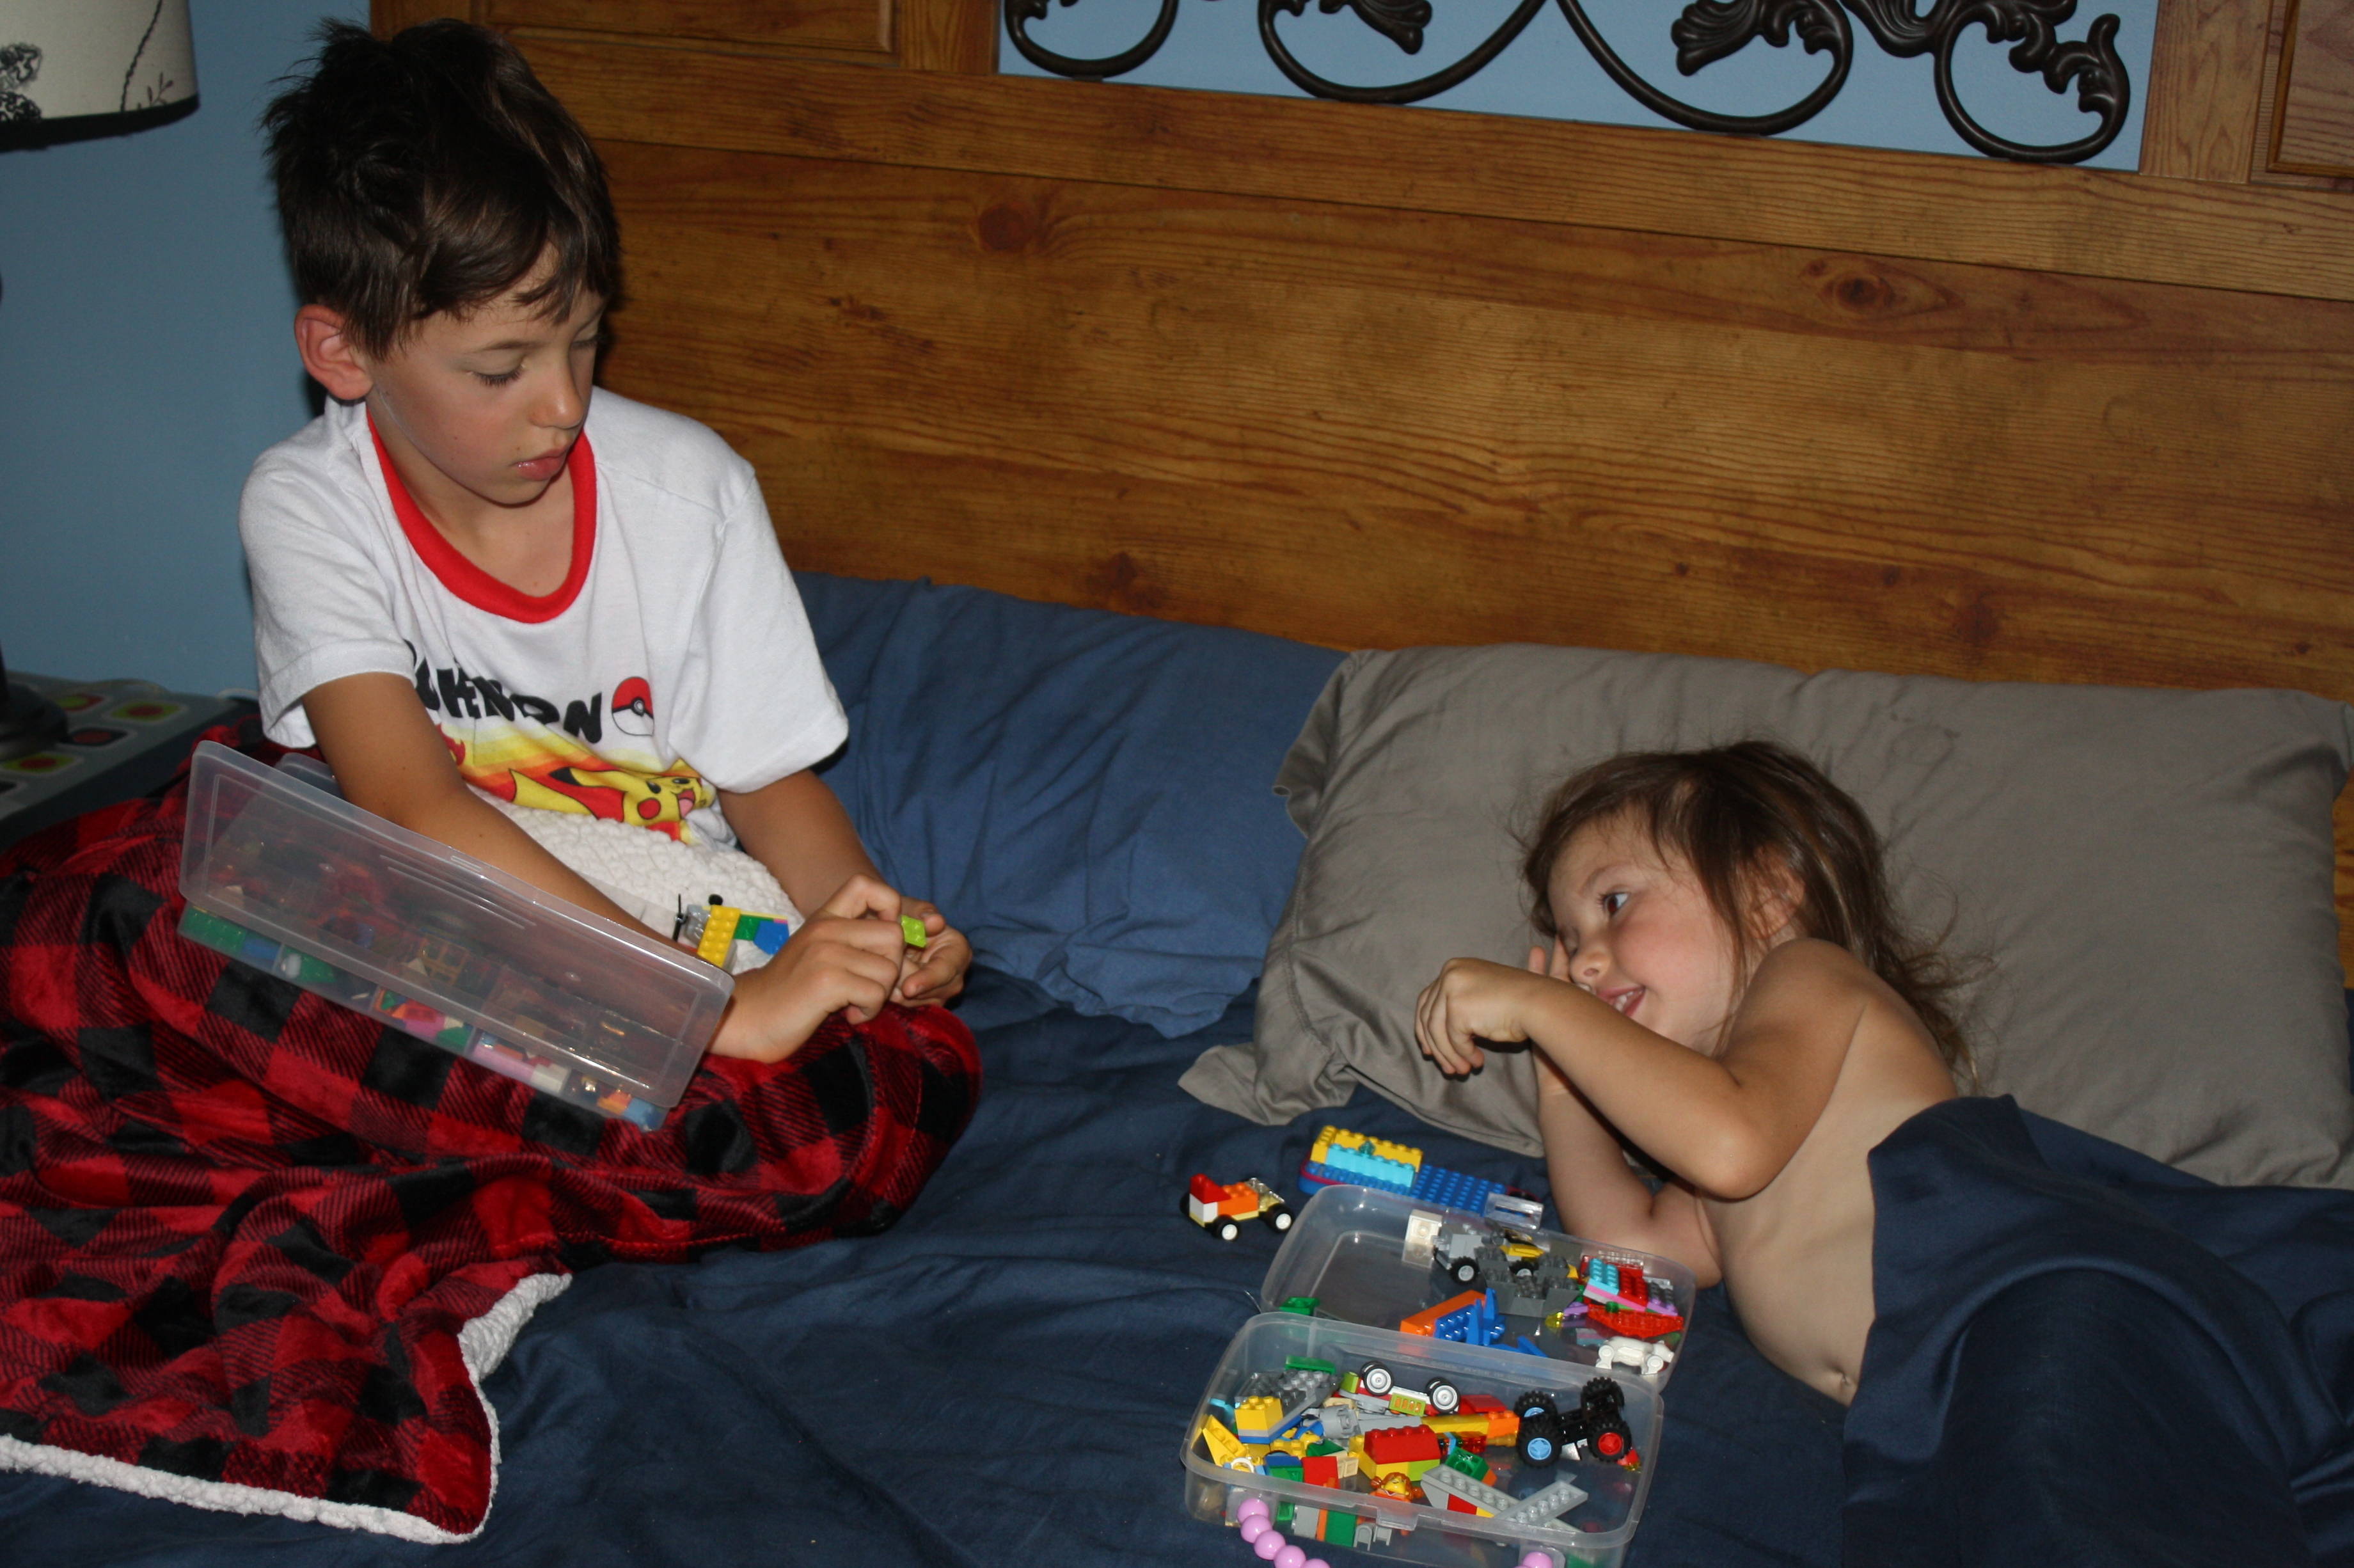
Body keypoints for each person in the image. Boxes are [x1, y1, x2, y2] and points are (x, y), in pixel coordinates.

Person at [244, 20, 969, 1063]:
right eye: (502, 370)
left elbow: (765, 781)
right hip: (447, 909)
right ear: (343, 351)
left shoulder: (690, 493)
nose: (564, 403)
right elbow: (407, 803)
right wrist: (711, 1010)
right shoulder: (309, 503)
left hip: (662, 913)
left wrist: (866, 930)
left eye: (585, 340)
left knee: (886, 1072)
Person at [1414, 741, 1969, 1404]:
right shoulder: (1718, 1127)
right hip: (1911, 1423)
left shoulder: (1811, 974)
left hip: (2001, 1338)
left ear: (1766, 897)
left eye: (1614, 903)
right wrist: (1563, 1085)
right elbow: (1634, 1252)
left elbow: (1730, 1146)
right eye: (1571, 941)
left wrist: (1544, 1004)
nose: (1583, 964)